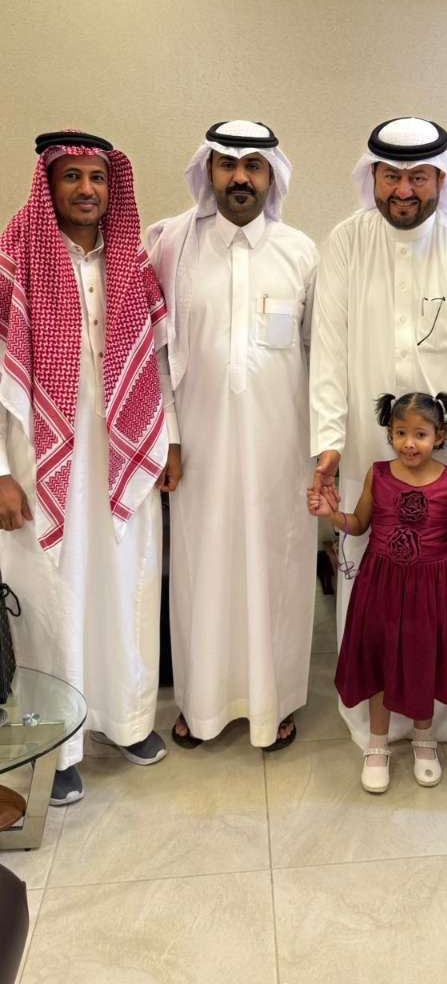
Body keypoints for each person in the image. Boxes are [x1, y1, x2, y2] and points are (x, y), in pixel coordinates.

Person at [310, 116, 447, 767]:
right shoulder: (346, 243)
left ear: (441, 179)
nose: (403, 190)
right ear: (371, 175)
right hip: (369, 453)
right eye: (391, 176)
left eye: (418, 177)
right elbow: (328, 353)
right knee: (374, 577)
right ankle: (381, 717)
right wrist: (328, 443)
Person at [0, 130, 180, 806]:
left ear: (113, 188)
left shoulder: (132, 262)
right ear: (49, 185)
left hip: (123, 452)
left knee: (126, 584)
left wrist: (169, 442)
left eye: (97, 178)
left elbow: (159, 362)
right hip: (39, 461)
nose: (86, 189)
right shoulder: (14, 259)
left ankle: (126, 720)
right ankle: (59, 744)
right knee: (55, 598)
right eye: (72, 176)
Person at [146, 121, 318, 752]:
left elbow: (319, 356)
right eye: (227, 164)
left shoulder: (301, 252)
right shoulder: (172, 246)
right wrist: (168, 436)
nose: (240, 177)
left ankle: (275, 705)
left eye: (253, 165)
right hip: (200, 447)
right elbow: (155, 355)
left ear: (272, 176)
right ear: (208, 172)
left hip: (282, 449)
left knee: (278, 568)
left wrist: (322, 448)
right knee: (202, 569)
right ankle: (200, 705)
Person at [308, 391, 447, 792]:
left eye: (420, 434)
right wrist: (331, 515)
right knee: (380, 661)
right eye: (401, 432)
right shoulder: (378, 475)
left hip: (432, 591)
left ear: (440, 436)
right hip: (381, 585)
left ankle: (424, 738)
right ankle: (377, 743)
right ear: (390, 434)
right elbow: (358, 524)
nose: (409, 442)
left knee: (424, 661)